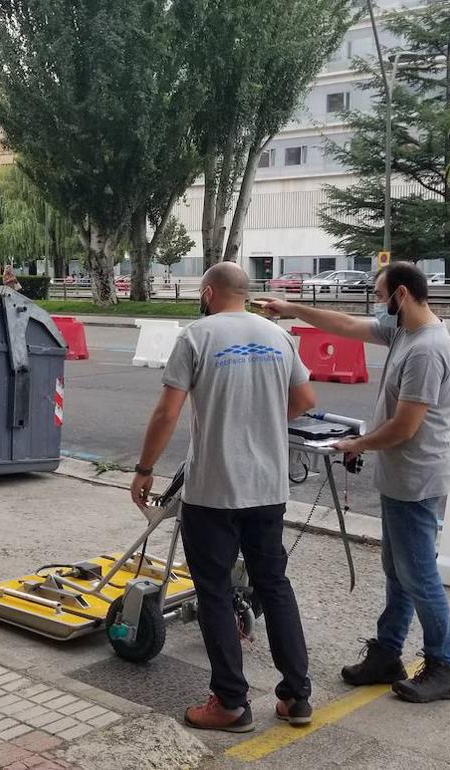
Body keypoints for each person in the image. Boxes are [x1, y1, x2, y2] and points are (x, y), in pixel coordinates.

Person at [256, 261, 450, 704]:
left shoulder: (426, 348)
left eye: (379, 294)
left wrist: (357, 444)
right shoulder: (404, 331)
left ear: (401, 295)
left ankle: (445, 665)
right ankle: (388, 652)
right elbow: (346, 324)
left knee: (418, 573)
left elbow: (406, 426)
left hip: (417, 476)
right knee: (398, 571)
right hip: (402, 474)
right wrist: (291, 308)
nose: (376, 303)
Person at [132, 262, 318, 733]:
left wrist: (144, 469)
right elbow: (304, 401)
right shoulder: (278, 337)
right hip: (268, 486)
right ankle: (296, 696)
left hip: (214, 489)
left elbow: (166, 412)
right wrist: (262, 422)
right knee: (273, 584)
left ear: (209, 292)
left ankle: (231, 703)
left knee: (214, 591)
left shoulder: (196, 336)